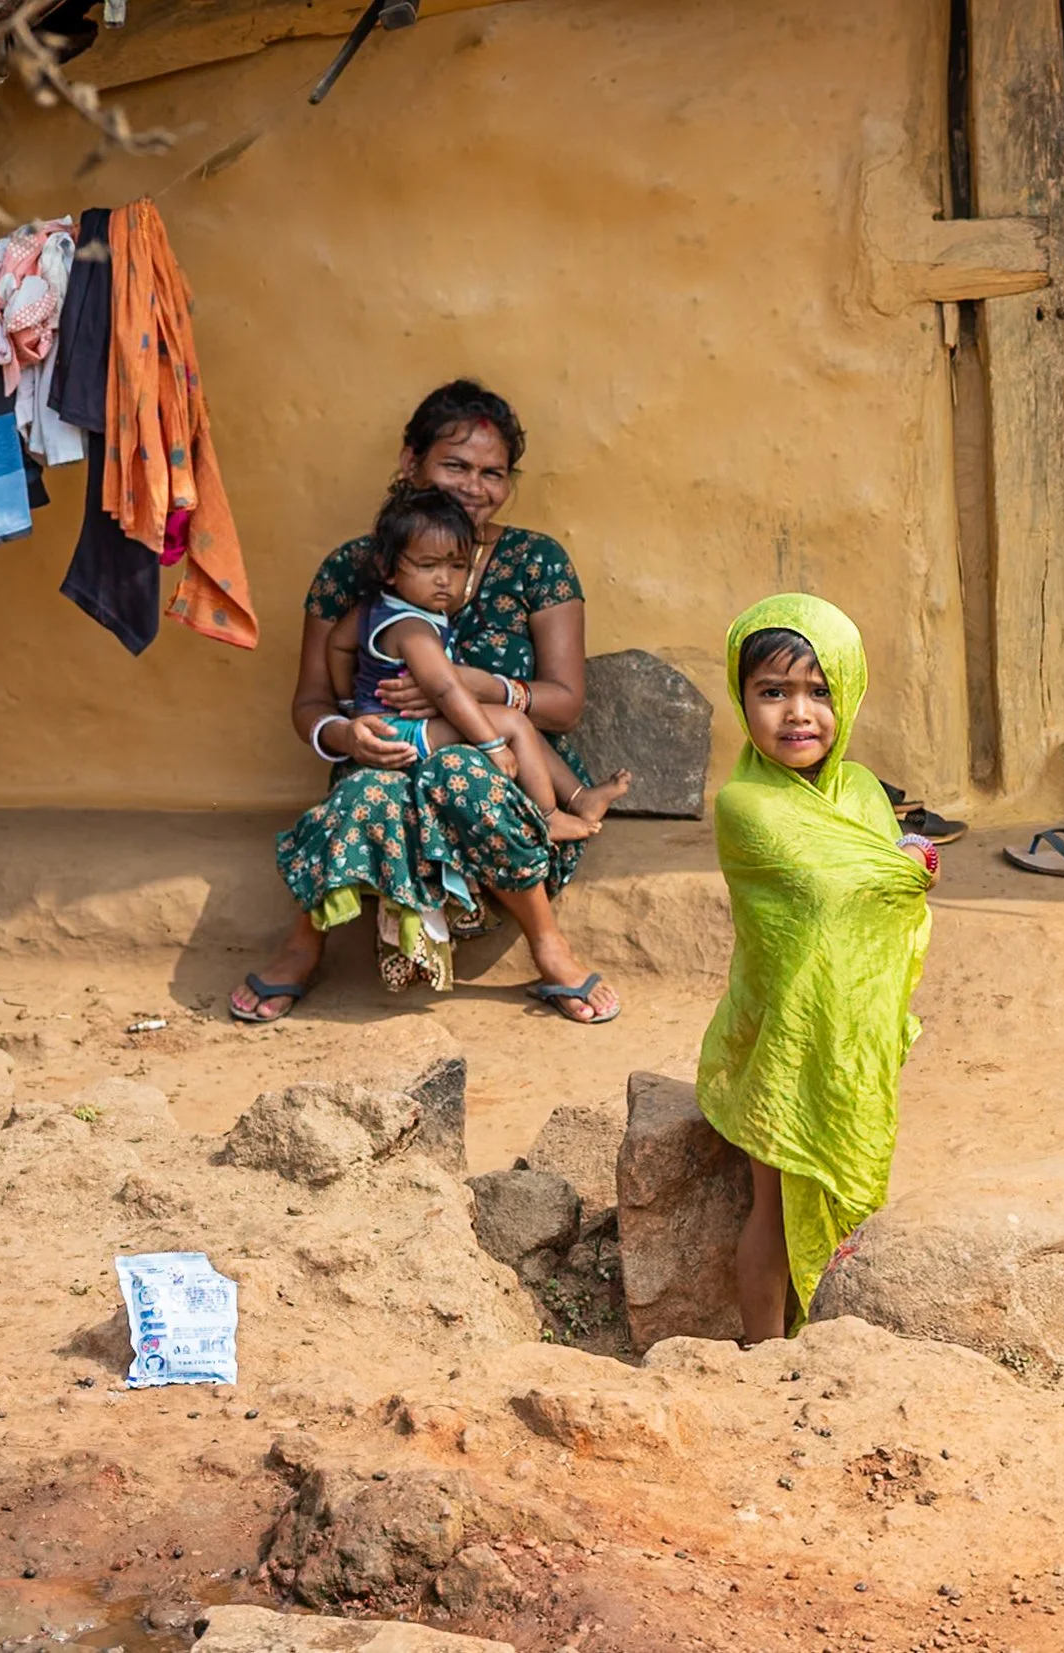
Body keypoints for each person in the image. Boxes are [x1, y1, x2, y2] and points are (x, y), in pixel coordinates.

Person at [231, 380, 622, 1025]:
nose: (474, 486)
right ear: (411, 462)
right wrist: (344, 737)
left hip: (506, 789)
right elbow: (310, 702)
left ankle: (549, 947)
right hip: (385, 765)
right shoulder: (354, 568)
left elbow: (566, 704)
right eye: (456, 466)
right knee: (363, 792)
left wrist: (469, 684)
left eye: (492, 473)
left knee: (457, 770)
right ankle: (302, 948)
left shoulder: (536, 562)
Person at [697, 595, 936, 1345]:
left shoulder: (863, 791)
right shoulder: (746, 804)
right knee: (771, 1207)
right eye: (773, 692)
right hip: (783, 1036)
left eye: (819, 691)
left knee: (848, 1202)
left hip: (856, 1035)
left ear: (850, 692)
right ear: (743, 700)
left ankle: (832, 1349)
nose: (798, 713)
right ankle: (767, 1359)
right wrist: (909, 861)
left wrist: (899, 866)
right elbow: (861, 882)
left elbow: (884, 894)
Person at [327, 485, 633, 843]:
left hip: (390, 723)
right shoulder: (413, 628)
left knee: (516, 722)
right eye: (428, 566)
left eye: (456, 566)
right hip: (402, 733)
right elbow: (444, 688)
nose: (444, 579)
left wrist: (351, 702)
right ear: (388, 568)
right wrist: (492, 745)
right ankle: (547, 816)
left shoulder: (375, 607)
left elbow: (338, 645)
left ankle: (581, 797)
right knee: (515, 723)